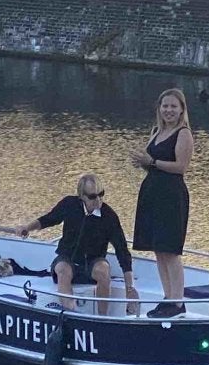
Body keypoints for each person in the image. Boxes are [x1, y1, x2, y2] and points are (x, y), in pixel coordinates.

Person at [15, 172, 135, 315]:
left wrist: (130, 289)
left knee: (103, 269)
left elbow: (122, 251)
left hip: (93, 262)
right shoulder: (69, 204)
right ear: (81, 196)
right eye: (92, 196)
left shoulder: (109, 216)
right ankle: (70, 313)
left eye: (101, 194)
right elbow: (48, 219)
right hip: (68, 258)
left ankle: (102, 316)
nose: (98, 200)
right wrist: (27, 228)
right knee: (62, 269)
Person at [131, 89, 193, 319]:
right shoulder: (157, 131)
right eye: (165, 106)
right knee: (158, 249)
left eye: (173, 107)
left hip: (171, 195)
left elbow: (180, 167)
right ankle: (168, 297)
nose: (168, 110)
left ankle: (178, 303)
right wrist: (143, 163)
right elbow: (152, 164)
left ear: (181, 110)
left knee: (171, 249)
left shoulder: (183, 134)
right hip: (152, 193)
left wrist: (152, 161)